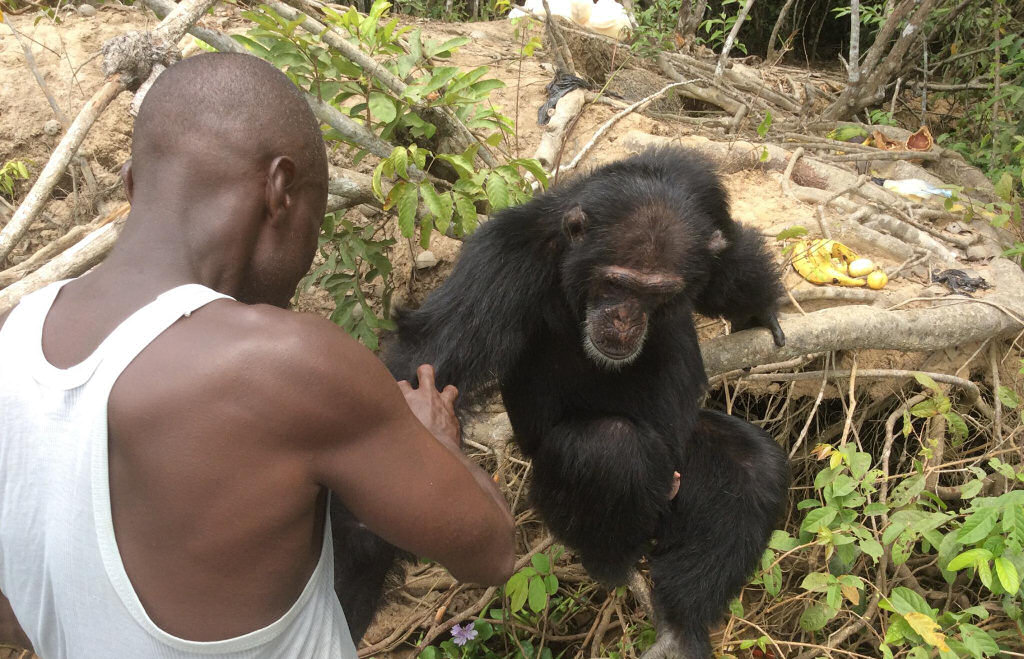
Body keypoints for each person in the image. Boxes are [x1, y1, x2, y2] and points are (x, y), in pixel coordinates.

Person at [0, 52, 515, 658]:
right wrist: (435, 445)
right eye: (316, 222)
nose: (305, 263)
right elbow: (492, 552)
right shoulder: (286, 364)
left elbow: (19, 615)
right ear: (280, 190)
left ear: (133, 185)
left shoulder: (15, 335)